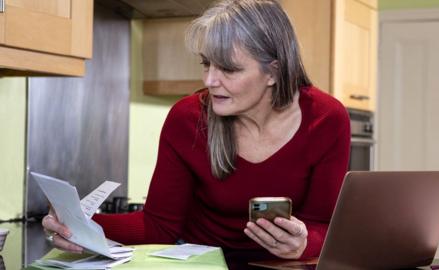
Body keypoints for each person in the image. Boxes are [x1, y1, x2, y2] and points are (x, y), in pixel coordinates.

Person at [42, 0, 350, 267]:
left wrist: (303, 244)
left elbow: (324, 225)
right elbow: (157, 226)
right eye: (207, 64)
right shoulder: (187, 118)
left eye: (228, 69)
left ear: (273, 72)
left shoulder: (327, 118)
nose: (210, 80)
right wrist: (80, 225)